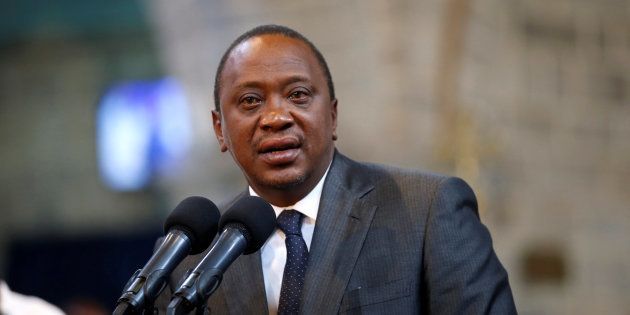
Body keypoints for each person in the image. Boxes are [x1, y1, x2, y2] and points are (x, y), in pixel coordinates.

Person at [156, 24, 516, 314]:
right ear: (220, 129)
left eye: (298, 95)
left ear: (332, 115)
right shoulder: (188, 253)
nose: (276, 117)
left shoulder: (428, 210)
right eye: (250, 101)